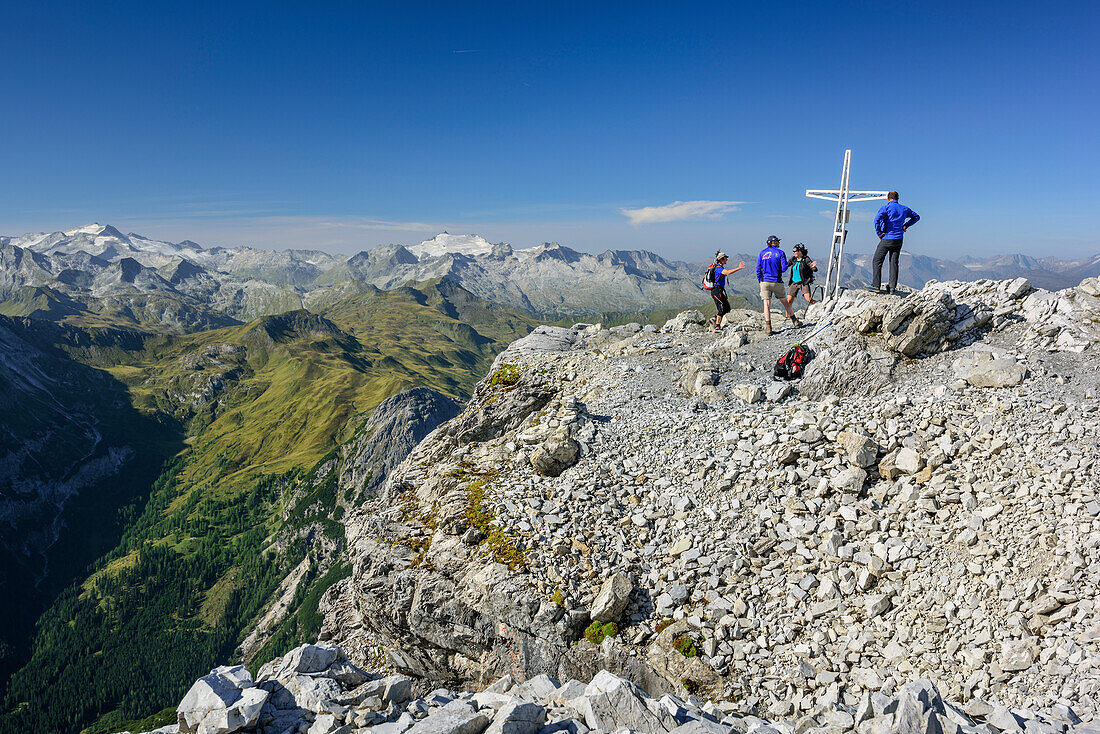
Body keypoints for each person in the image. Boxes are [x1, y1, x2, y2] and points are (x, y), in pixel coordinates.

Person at [869, 191, 920, 294]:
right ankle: (892, 287)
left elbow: (876, 220)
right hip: (899, 239)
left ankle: (876, 285)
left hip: (887, 237)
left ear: (888, 199)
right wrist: (906, 225)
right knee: (894, 262)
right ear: (898, 199)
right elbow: (916, 217)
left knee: (877, 260)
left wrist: (879, 233)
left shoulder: (885, 208)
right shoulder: (904, 208)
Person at [757, 235, 800, 335]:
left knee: (766, 304)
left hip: (765, 282)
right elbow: (784, 268)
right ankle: (795, 321)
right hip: (777, 281)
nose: (779, 243)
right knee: (785, 302)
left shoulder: (762, 253)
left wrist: (761, 281)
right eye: (777, 241)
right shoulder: (780, 253)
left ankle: (768, 328)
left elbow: (758, 268)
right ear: (774, 242)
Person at [706, 252, 745, 331]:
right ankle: (717, 326)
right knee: (722, 308)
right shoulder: (718, 268)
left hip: (719, 290)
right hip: (716, 291)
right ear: (721, 259)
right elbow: (727, 272)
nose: (726, 259)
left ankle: (714, 319)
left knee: (727, 308)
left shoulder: (719, 267)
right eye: (725, 258)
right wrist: (739, 268)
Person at [785, 243, 818, 309]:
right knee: (789, 301)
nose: (793, 252)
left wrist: (813, 267)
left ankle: (819, 305)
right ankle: (788, 317)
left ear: (800, 251)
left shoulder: (806, 259)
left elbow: (814, 269)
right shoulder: (793, 259)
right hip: (794, 282)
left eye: (795, 251)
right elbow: (786, 265)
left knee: (808, 299)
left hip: (804, 282)